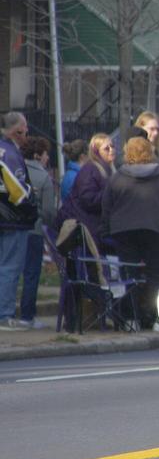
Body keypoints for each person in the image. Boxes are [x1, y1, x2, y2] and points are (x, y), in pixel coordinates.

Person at [101, 136, 159, 329]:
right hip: (157, 229)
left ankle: (131, 318)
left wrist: (106, 230)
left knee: (128, 275)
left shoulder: (118, 177)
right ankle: (156, 318)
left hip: (125, 231)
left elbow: (106, 207)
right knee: (157, 276)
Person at [18, 136, 58, 329]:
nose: (47, 159)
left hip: (11, 229)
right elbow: (50, 212)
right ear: (37, 155)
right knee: (31, 274)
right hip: (33, 230)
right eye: (45, 155)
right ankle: (27, 315)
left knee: (8, 270)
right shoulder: (43, 177)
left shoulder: (13, 168)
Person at [0, 112, 32, 331]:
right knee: (10, 268)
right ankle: (5, 314)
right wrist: (31, 192)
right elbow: (18, 192)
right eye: (25, 129)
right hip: (12, 219)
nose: (27, 133)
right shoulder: (10, 153)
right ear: (17, 130)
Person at [56, 133, 116, 244]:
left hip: (95, 227)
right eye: (107, 148)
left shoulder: (108, 170)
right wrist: (111, 193)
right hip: (86, 229)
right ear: (96, 151)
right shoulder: (90, 170)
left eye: (113, 146)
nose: (111, 150)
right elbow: (88, 199)